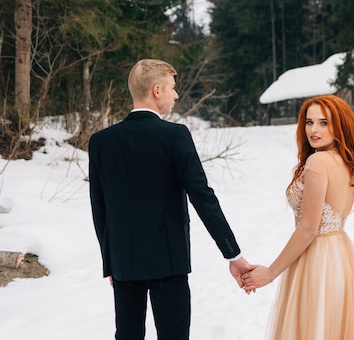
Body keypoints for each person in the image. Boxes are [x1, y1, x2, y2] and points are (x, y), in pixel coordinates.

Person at [89, 59, 250, 340]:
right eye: (173, 88)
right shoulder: (174, 136)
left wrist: (110, 261)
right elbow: (202, 196)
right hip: (168, 264)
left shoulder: (101, 142)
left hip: (123, 264)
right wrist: (232, 253)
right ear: (156, 90)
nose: (176, 95)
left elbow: (98, 206)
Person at [241, 94, 354, 339]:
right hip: (340, 257)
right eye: (309, 122)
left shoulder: (318, 161)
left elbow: (308, 229)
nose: (313, 130)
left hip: (317, 259)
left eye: (323, 122)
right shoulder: (347, 161)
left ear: (339, 125)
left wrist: (270, 273)